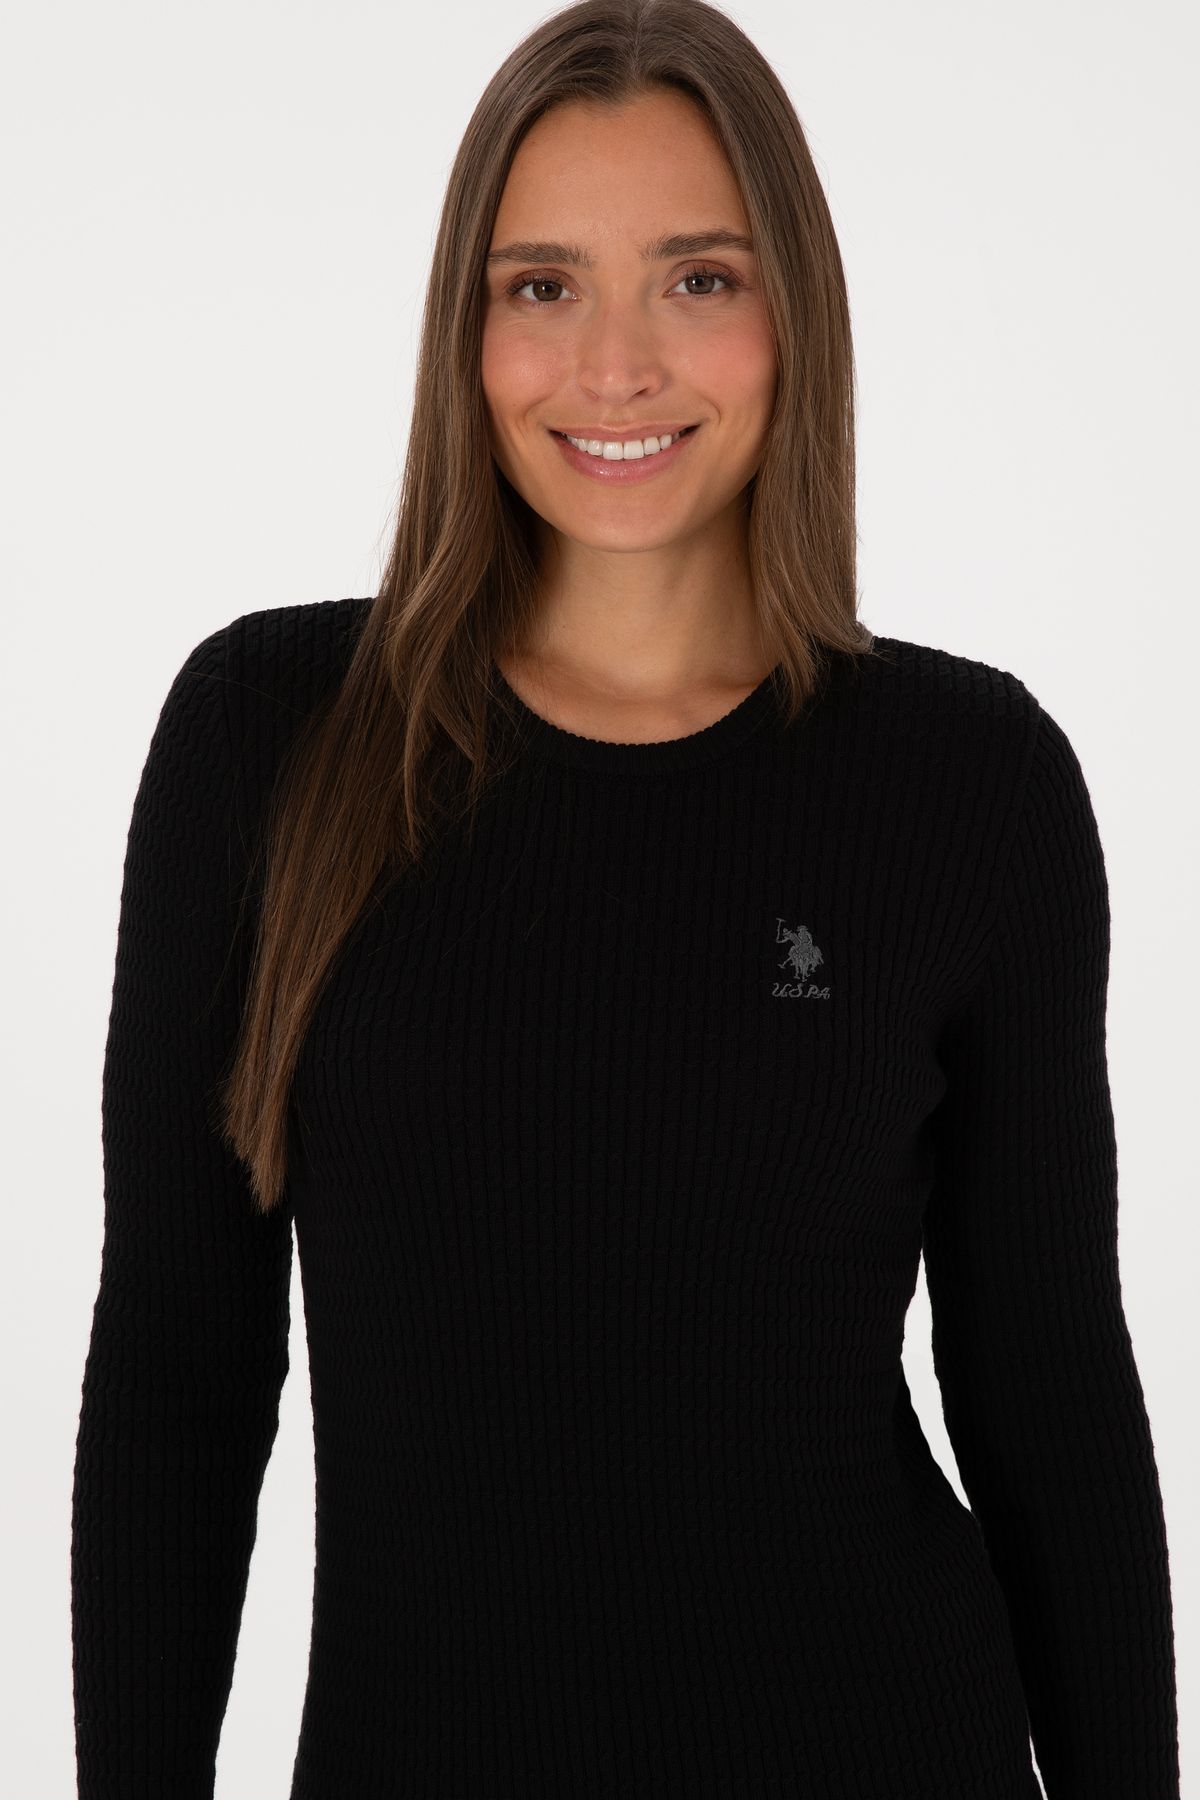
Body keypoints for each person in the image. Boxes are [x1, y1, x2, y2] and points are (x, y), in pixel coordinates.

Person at [70, 1, 1181, 1795]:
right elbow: (178, 1380)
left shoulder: (970, 783)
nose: (614, 365)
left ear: (792, 313)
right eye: (544, 286)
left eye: (697, 279)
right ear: (469, 327)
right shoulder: (268, 737)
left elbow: (1047, 1395)